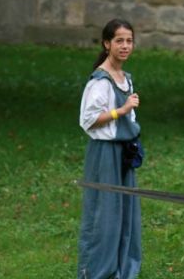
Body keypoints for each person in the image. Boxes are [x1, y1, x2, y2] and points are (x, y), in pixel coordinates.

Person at [77, 19, 142, 279]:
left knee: (126, 211)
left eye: (129, 41)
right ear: (107, 44)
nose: (125, 46)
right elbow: (88, 120)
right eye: (119, 41)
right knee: (104, 213)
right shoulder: (100, 82)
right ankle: (97, 271)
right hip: (105, 154)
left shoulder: (125, 78)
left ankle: (123, 268)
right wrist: (121, 110)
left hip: (124, 152)